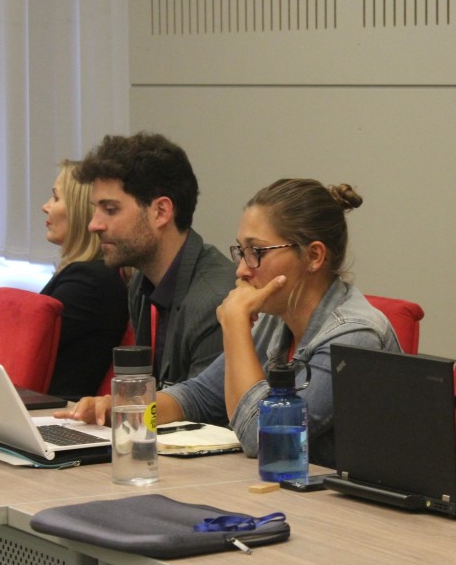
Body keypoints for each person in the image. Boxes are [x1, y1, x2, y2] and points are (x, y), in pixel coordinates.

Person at [63, 178, 401, 468]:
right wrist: (128, 409)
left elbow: (264, 439)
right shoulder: (276, 319)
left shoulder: (354, 336)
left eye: (257, 252)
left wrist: (236, 325)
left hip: (357, 518)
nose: (241, 269)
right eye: (241, 251)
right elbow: (197, 396)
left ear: (314, 256)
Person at [73, 132, 235, 384]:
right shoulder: (141, 284)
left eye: (110, 209)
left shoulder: (215, 302)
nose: (94, 225)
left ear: (160, 212)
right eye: (96, 210)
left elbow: (206, 407)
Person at [39, 159, 130, 400]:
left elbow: (27, 344)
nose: (45, 207)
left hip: (58, 410)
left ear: (80, 210)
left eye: (56, 197)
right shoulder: (87, 275)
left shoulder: (90, 281)